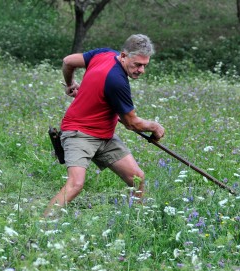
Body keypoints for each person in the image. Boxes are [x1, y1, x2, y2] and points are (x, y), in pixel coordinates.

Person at [44, 34, 165, 216]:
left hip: (104, 135)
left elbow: (68, 61)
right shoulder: (117, 81)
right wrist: (155, 127)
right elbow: (132, 123)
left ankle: (138, 222)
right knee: (76, 185)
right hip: (79, 133)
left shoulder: (104, 54)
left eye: (144, 65)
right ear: (123, 56)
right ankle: (40, 228)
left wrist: (70, 84)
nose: (141, 70)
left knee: (137, 178)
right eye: (137, 65)